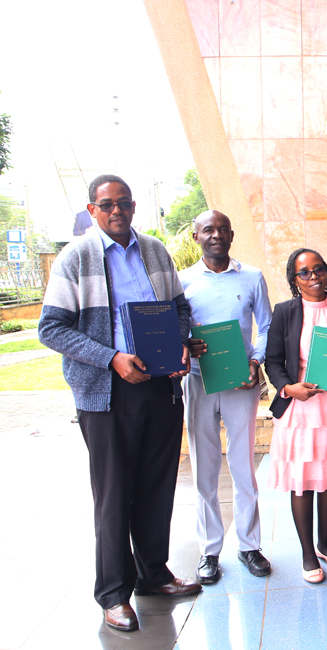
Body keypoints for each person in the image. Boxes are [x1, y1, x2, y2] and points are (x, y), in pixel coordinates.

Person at [38, 175, 200, 632]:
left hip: (161, 386)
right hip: (107, 392)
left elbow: (180, 308)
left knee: (157, 486)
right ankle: (113, 593)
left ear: (133, 207)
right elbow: (51, 329)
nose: (117, 211)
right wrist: (111, 359)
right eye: (107, 204)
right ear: (92, 210)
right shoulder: (76, 257)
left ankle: (153, 574)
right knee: (114, 495)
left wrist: (181, 342)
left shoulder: (154, 250)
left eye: (124, 203)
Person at [264, 248, 327, 584]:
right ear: (294, 280)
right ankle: (308, 552)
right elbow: (273, 361)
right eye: (304, 273)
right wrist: (288, 387)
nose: (314, 278)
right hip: (300, 409)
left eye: (319, 270)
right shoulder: (285, 312)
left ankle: (325, 543)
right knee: (302, 482)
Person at [181, 210, 272, 584]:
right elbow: (176, 328)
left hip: (240, 382)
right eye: (208, 230)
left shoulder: (251, 276)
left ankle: (250, 545)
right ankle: (209, 551)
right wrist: (185, 344)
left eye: (222, 229)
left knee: (243, 464)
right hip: (199, 381)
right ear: (195, 236)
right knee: (204, 467)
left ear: (231, 235)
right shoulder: (180, 280)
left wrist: (256, 360)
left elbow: (265, 326)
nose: (215, 235)